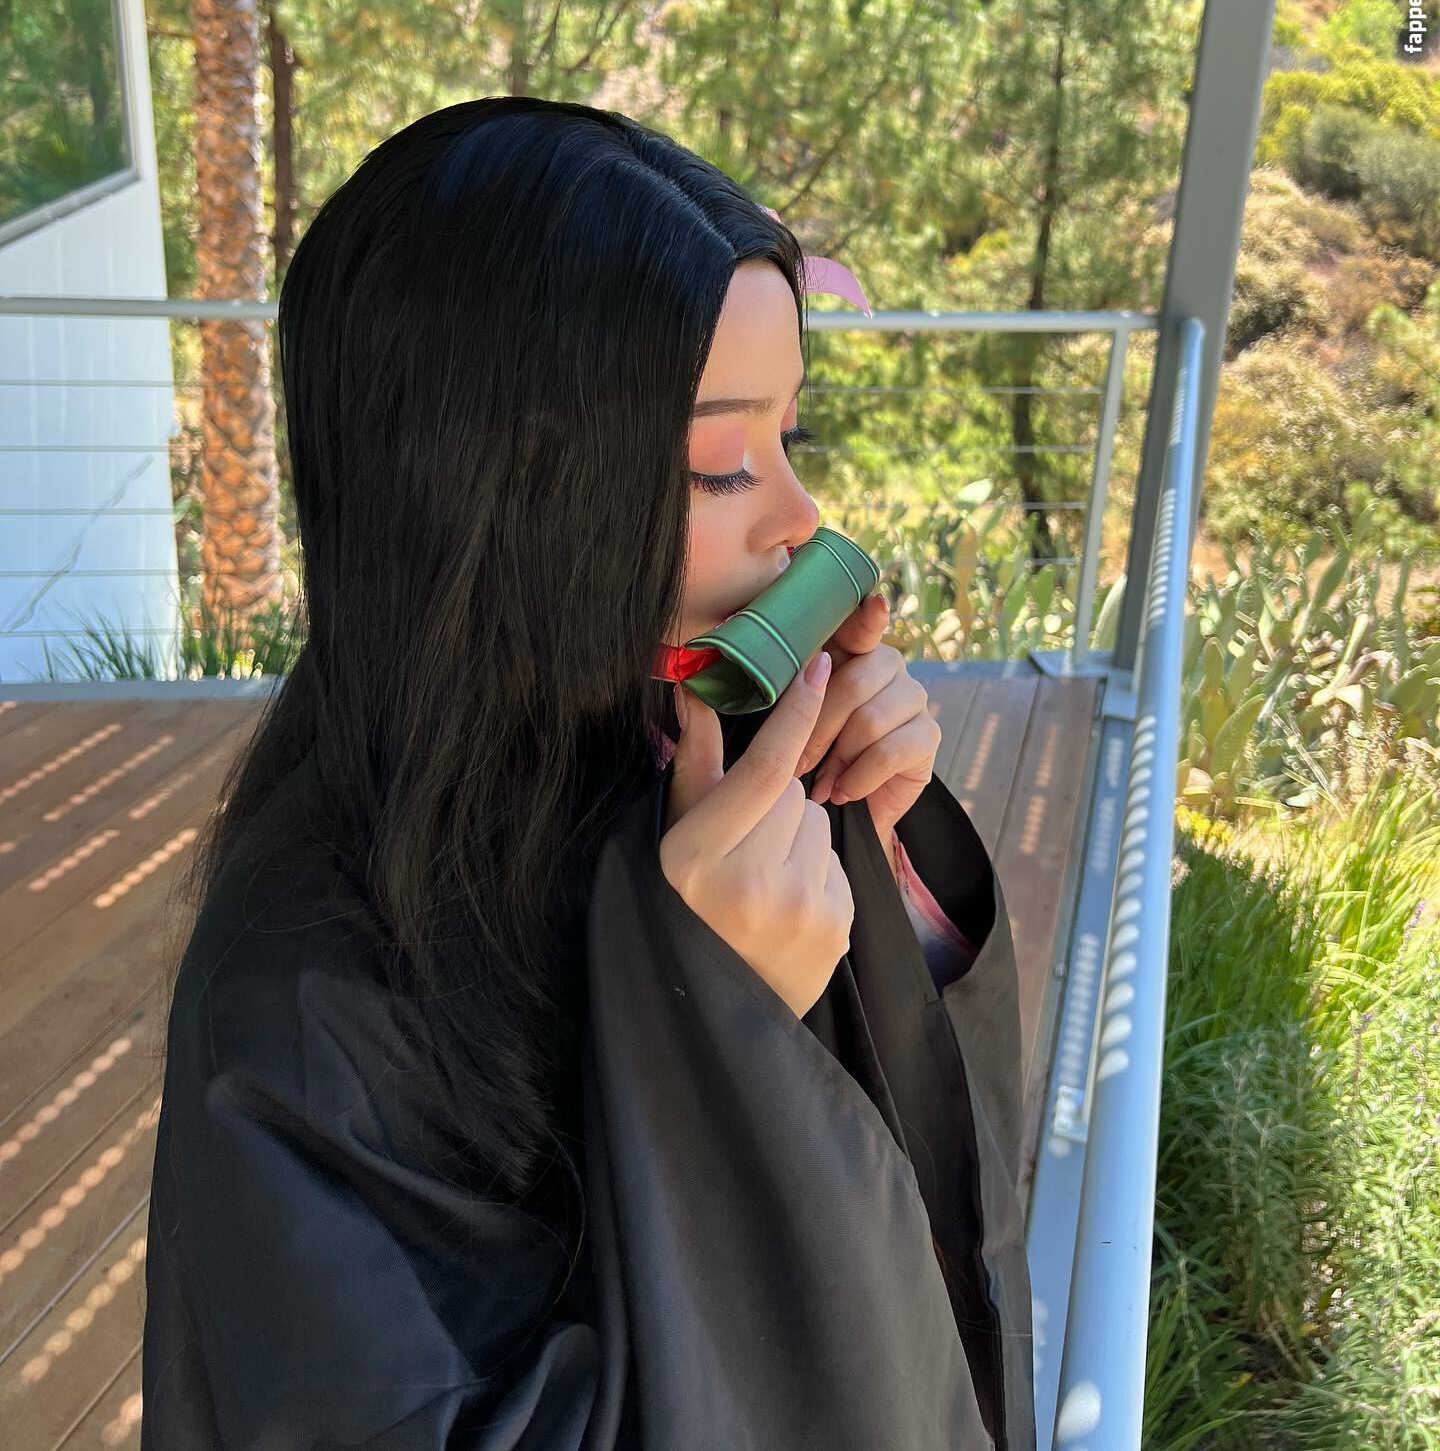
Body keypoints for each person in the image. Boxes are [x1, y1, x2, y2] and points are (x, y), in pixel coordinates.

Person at [140, 95, 1035, 1450]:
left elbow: (943, 1256)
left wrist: (883, 866)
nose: (803, 522)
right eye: (723, 464)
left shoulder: (664, 750)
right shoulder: (304, 1007)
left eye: (790, 439)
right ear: (490, 495)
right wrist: (717, 1026)